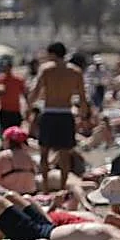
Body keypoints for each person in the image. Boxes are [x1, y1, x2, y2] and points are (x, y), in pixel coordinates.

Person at [28, 42, 89, 191]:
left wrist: (30, 105)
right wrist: (83, 116)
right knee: (64, 154)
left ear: (52, 54)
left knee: (44, 153)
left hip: (49, 112)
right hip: (66, 113)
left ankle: (46, 189)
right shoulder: (75, 71)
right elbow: (83, 98)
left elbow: (34, 93)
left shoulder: (46, 69)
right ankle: (63, 188)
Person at [0, 126, 38, 195]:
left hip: (11, 196)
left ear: (8, 140)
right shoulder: (30, 157)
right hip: (30, 194)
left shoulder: (3, 156)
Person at [0, 60, 26, 131]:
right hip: (5, 111)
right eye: (4, 67)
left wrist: (28, 106)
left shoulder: (18, 80)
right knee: (5, 133)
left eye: (7, 67)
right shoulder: (0, 79)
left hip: (15, 111)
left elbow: (24, 93)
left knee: (16, 133)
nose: (6, 69)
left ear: (11, 67)